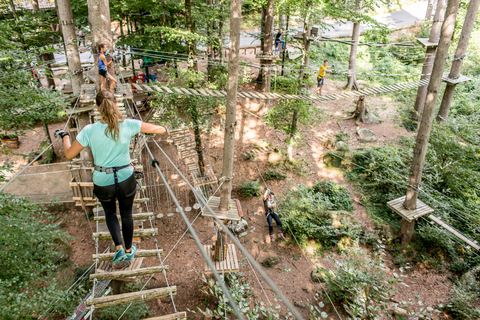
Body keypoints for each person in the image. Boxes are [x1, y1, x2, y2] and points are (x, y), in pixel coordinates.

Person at [55, 90, 168, 264]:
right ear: (116, 104)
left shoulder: (89, 130)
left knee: (109, 212)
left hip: (102, 179)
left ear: (97, 107)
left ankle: (119, 248)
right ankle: (130, 249)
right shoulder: (128, 125)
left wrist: (65, 137)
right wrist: (143, 127)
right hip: (125, 177)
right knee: (127, 214)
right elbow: (160, 130)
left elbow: (69, 154)